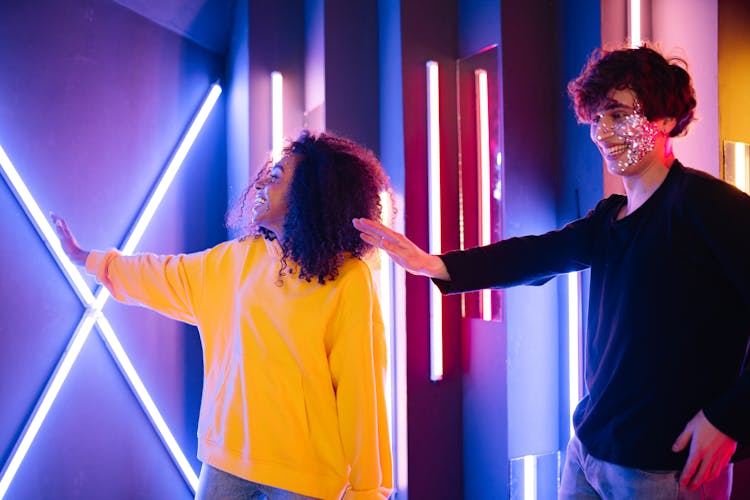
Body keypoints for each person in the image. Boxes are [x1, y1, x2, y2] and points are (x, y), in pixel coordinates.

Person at [354, 45, 750, 499]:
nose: (603, 132)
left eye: (618, 115)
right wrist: (435, 265)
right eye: (596, 119)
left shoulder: (708, 206)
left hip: (666, 468)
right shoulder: (611, 218)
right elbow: (537, 254)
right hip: (587, 450)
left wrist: (729, 417)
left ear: (662, 120)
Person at [53, 130, 394, 500]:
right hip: (226, 461)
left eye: (276, 177)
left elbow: (362, 393)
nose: (262, 182)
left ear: (309, 196)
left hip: (307, 474)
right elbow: (162, 274)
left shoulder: (349, 280)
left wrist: (368, 491)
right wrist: (90, 260)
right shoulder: (235, 261)